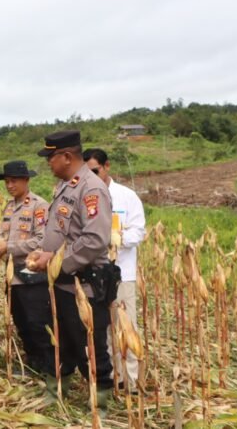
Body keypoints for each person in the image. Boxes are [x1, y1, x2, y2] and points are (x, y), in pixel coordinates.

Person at [27, 130, 118, 412]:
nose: (47, 164)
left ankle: (100, 404)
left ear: (67, 157)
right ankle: (58, 392)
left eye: (50, 158)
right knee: (62, 342)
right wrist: (45, 254)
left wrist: (55, 262)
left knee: (89, 346)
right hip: (62, 283)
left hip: (85, 286)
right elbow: (60, 232)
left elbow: (94, 240)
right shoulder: (66, 186)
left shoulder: (91, 189)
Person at [84, 148, 146, 388]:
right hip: (94, 275)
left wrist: (115, 238)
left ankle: (131, 382)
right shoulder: (87, 198)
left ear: (106, 166)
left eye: (95, 171)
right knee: (103, 330)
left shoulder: (126, 196)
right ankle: (112, 378)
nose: (92, 177)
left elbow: (138, 231)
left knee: (126, 326)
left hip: (122, 274)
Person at [0, 160, 53, 377]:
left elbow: (42, 240)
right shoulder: (9, 207)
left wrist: (9, 247)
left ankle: (49, 368)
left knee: (37, 322)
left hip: (32, 274)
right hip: (12, 275)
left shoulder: (39, 206)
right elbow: (4, 236)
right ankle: (33, 363)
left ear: (26, 180)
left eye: (14, 181)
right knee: (21, 321)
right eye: (6, 181)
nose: (9, 185)